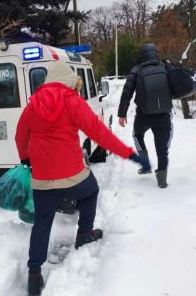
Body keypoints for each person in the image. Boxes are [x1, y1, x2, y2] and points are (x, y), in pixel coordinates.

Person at [15, 60, 150, 296]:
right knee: (91, 191)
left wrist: (25, 158)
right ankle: (84, 233)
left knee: (42, 223)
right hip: (72, 173)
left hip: (42, 177)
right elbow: (99, 133)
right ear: (67, 80)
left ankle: (34, 275)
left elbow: (19, 136)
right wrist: (129, 154)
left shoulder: (32, 105)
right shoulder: (72, 101)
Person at [117, 43, 173, 188]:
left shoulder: (136, 70)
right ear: (156, 54)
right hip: (164, 116)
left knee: (137, 135)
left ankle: (146, 165)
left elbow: (126, 93)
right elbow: (177, 85)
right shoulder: (165, 67)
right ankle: (162, 181)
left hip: (144, 115)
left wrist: (122, 114)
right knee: (162, 150)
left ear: (141, 55)